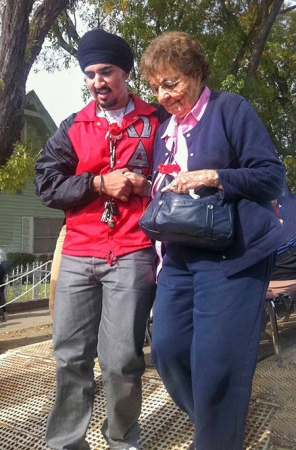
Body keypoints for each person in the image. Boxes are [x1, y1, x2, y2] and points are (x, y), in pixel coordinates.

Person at [140, 31, 287, 450]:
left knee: (217, 363)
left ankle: (216, 440)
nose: (164, 95)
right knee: (167, 350)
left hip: (232, 255)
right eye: (155, 87)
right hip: (181, 255)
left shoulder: (231, 110)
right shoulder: (166, 130)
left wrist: (214, 176)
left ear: (197, 73)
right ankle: (217, 429)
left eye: (172, 83)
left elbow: (271, 176)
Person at [35, 28, 166, 450]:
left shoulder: (156, 121)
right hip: (78, 253)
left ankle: (123, 441)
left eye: (106, 71)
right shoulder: (74, 126)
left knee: (120, 361)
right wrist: (96, 183)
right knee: (70, 359)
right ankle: (66, 444)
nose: (97, 82)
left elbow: (186, 165)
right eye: (90, 74)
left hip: (132, 251)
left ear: (124, 72)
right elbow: (47, 185)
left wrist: (151, 185)